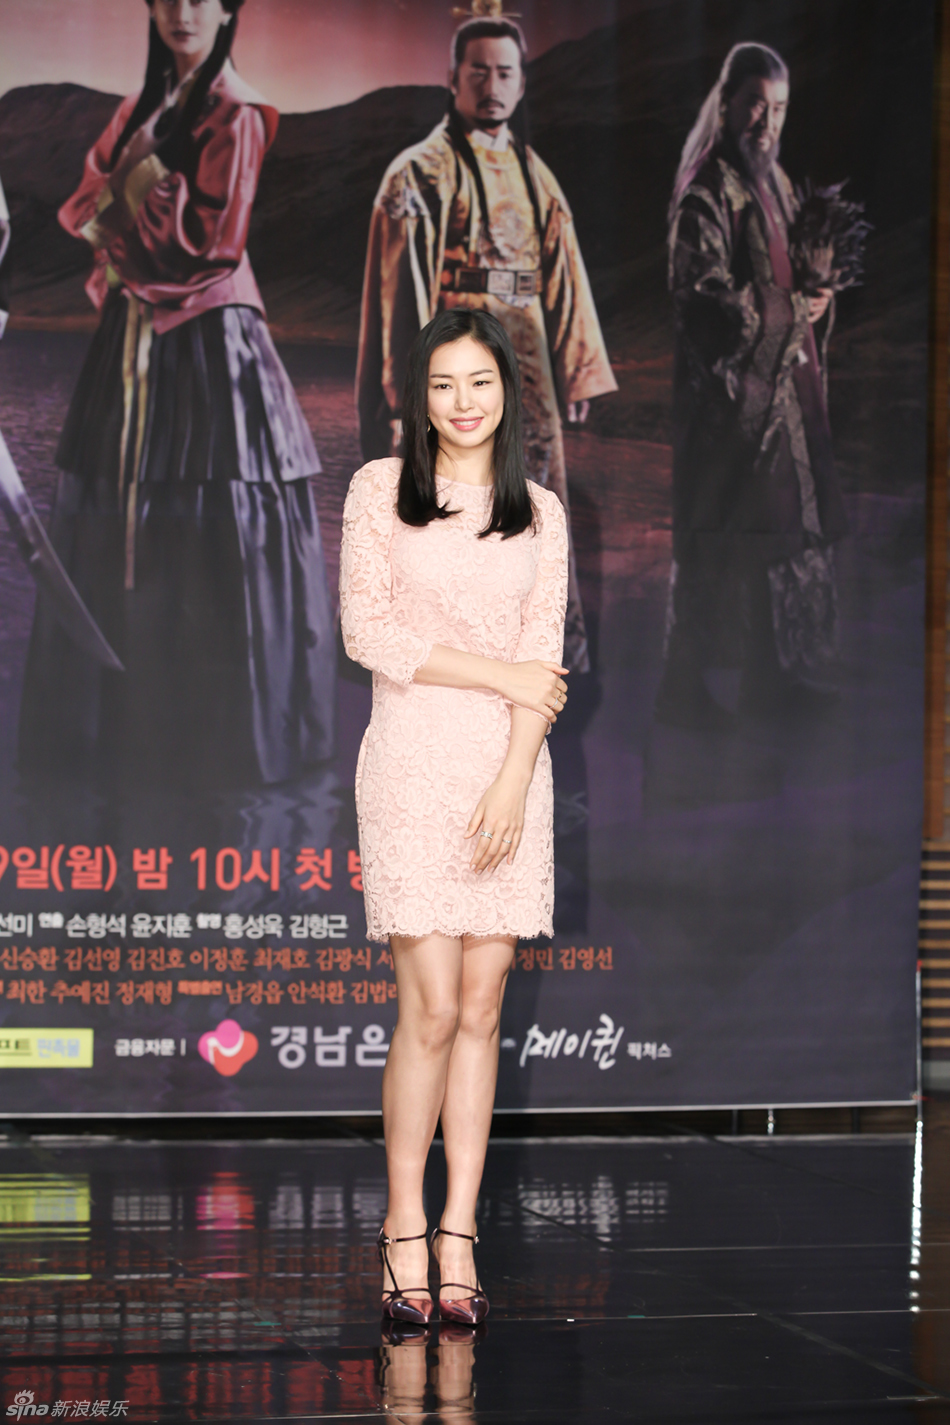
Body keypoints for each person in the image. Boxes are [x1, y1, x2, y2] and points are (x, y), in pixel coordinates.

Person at [18, 0, 335, 786]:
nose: (183, 12)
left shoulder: (239, 114)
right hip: (131, 332)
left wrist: (136, 183)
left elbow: (212, 245)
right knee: (122, 506)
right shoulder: (138, 108)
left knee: (211, 508)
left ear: (228, 11)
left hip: (208, 339)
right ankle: (124, 726)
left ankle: (214, 736)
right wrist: (131, 197)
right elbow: (84, 215)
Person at [340, 307, 568, 1326]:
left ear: (506, 391)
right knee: (429, 1008)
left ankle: (459, 1233)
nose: (462, 402)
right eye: (442, 384)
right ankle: (402, 1226)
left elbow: (543, 662)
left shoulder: (541, 513)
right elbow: (368, 631)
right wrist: (502, 676)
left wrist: (515, 776)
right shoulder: (379, 491)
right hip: (410, 761)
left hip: (507, 771)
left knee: (482, 1008)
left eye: (479, 381)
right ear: (418, 394)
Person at [356, 1, 615, 674]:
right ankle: (454, 662)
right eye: (478, 72)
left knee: (532, 503)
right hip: (460, 369)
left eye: (505, 73)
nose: (491, 86)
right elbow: (400, 292)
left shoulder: (534, 172)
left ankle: (535, 663)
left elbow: (563, 270)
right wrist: (409, 393)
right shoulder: (420, 171)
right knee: (454, 509)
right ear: (452, 79)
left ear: (522, 83)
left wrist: (575, 367)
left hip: (528, 368)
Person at [657, 42, 847, 730]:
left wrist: (819, 292)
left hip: (780, 397)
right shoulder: (707, 192)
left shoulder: (776, 183)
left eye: (779, 109)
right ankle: (687, 697)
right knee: (721, 543)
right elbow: (701, 297)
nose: (767, 123)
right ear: (728, 103)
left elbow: (794, 272)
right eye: (756, 106)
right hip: (728, 405)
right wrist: (794, 309)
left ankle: (777, 682)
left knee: (781, 538)